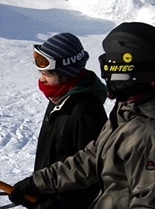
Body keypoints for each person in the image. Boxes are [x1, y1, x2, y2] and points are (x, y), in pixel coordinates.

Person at [10, 22, 155, 209]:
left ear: (127, 70)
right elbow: (91, 158)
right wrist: (39, 183)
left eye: (111, 65)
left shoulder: (148, 136)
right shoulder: (127, 113)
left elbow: (149, 204)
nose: (106, 72)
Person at [30, 33, 108, 209]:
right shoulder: (58, 100)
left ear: (65, 74)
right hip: (48, 192)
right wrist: (38, 188)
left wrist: (60, 203)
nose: (42, 79)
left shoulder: (86, 113)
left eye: (47, 74)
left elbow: (94, 173)